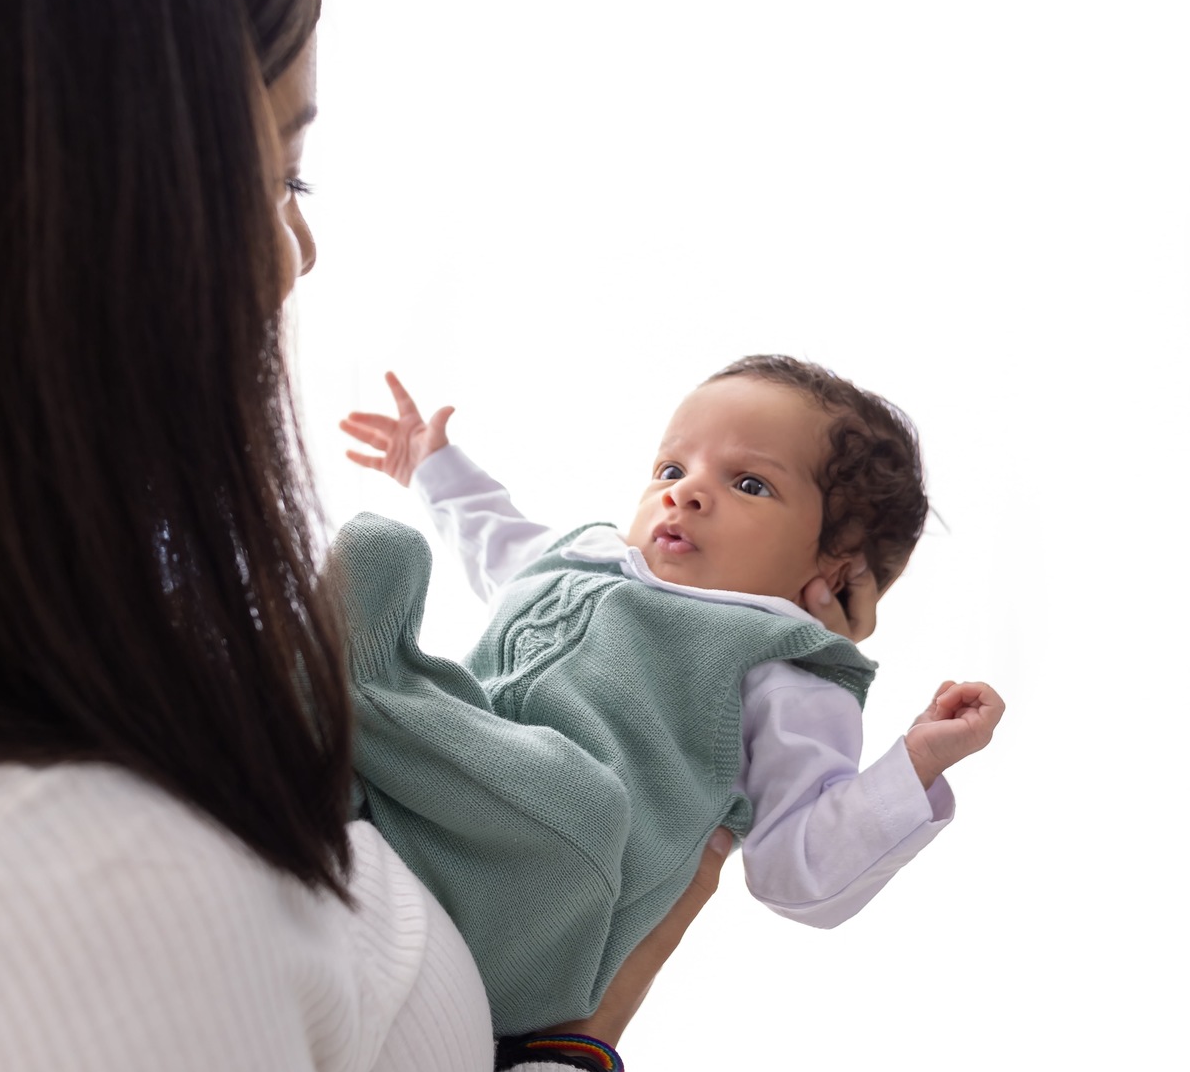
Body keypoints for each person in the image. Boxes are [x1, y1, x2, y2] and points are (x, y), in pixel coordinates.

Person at [0, 0, 760, 1072]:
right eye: (274, 168)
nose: (294, 260)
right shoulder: (95, 881)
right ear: (76, 200)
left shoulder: (124, 690)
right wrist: (568, 1065)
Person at [337, 362, 1005, 1032]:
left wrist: (914, 764)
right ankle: (337, 724)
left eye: (749, 484)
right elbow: (492, 534)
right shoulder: (582, 555)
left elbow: (797, 865)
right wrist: (431, 466)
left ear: (833, 565)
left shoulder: (786, 670)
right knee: (383, 553)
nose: (686, 494)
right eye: (671, 469)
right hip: (418, 815)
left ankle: (351, 697)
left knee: (580, 793)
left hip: (540, 904)